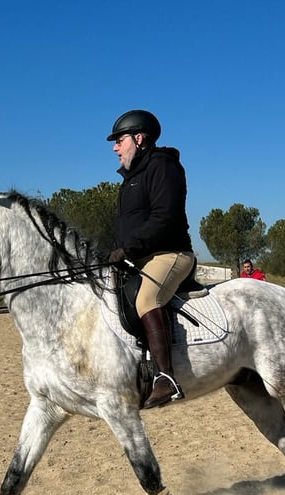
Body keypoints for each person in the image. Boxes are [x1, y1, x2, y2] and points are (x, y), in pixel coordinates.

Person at [106, 109, 195, 409]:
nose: (115, 147)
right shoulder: (131, 179)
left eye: (120, 140)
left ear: (139, 138)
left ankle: (166, 378)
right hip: (140, 258)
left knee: (147, 299)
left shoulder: (163, 167)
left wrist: (128, 249)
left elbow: (164, 219)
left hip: (170, 254)